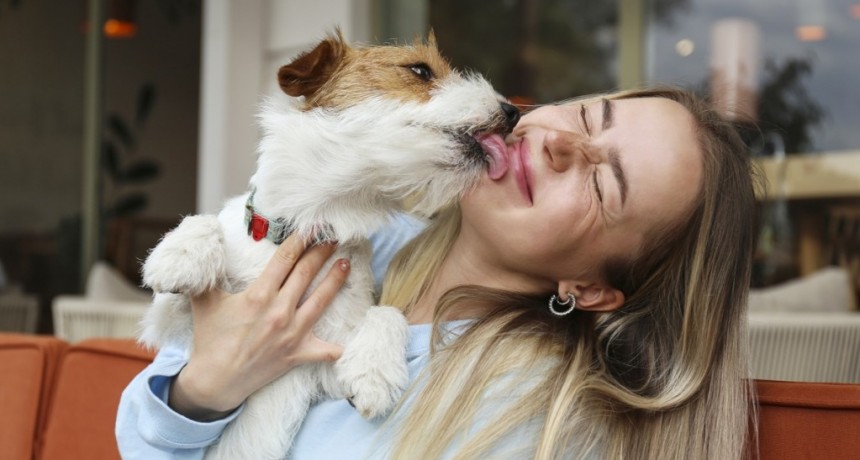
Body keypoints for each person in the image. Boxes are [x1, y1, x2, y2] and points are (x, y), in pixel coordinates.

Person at [116, 86, 760, 460]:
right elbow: (134, 440)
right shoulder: (361, 234)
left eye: (602, 184)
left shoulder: (527, 417)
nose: (562, 142)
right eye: (589, 115)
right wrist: (206, 389)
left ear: (589, 288)